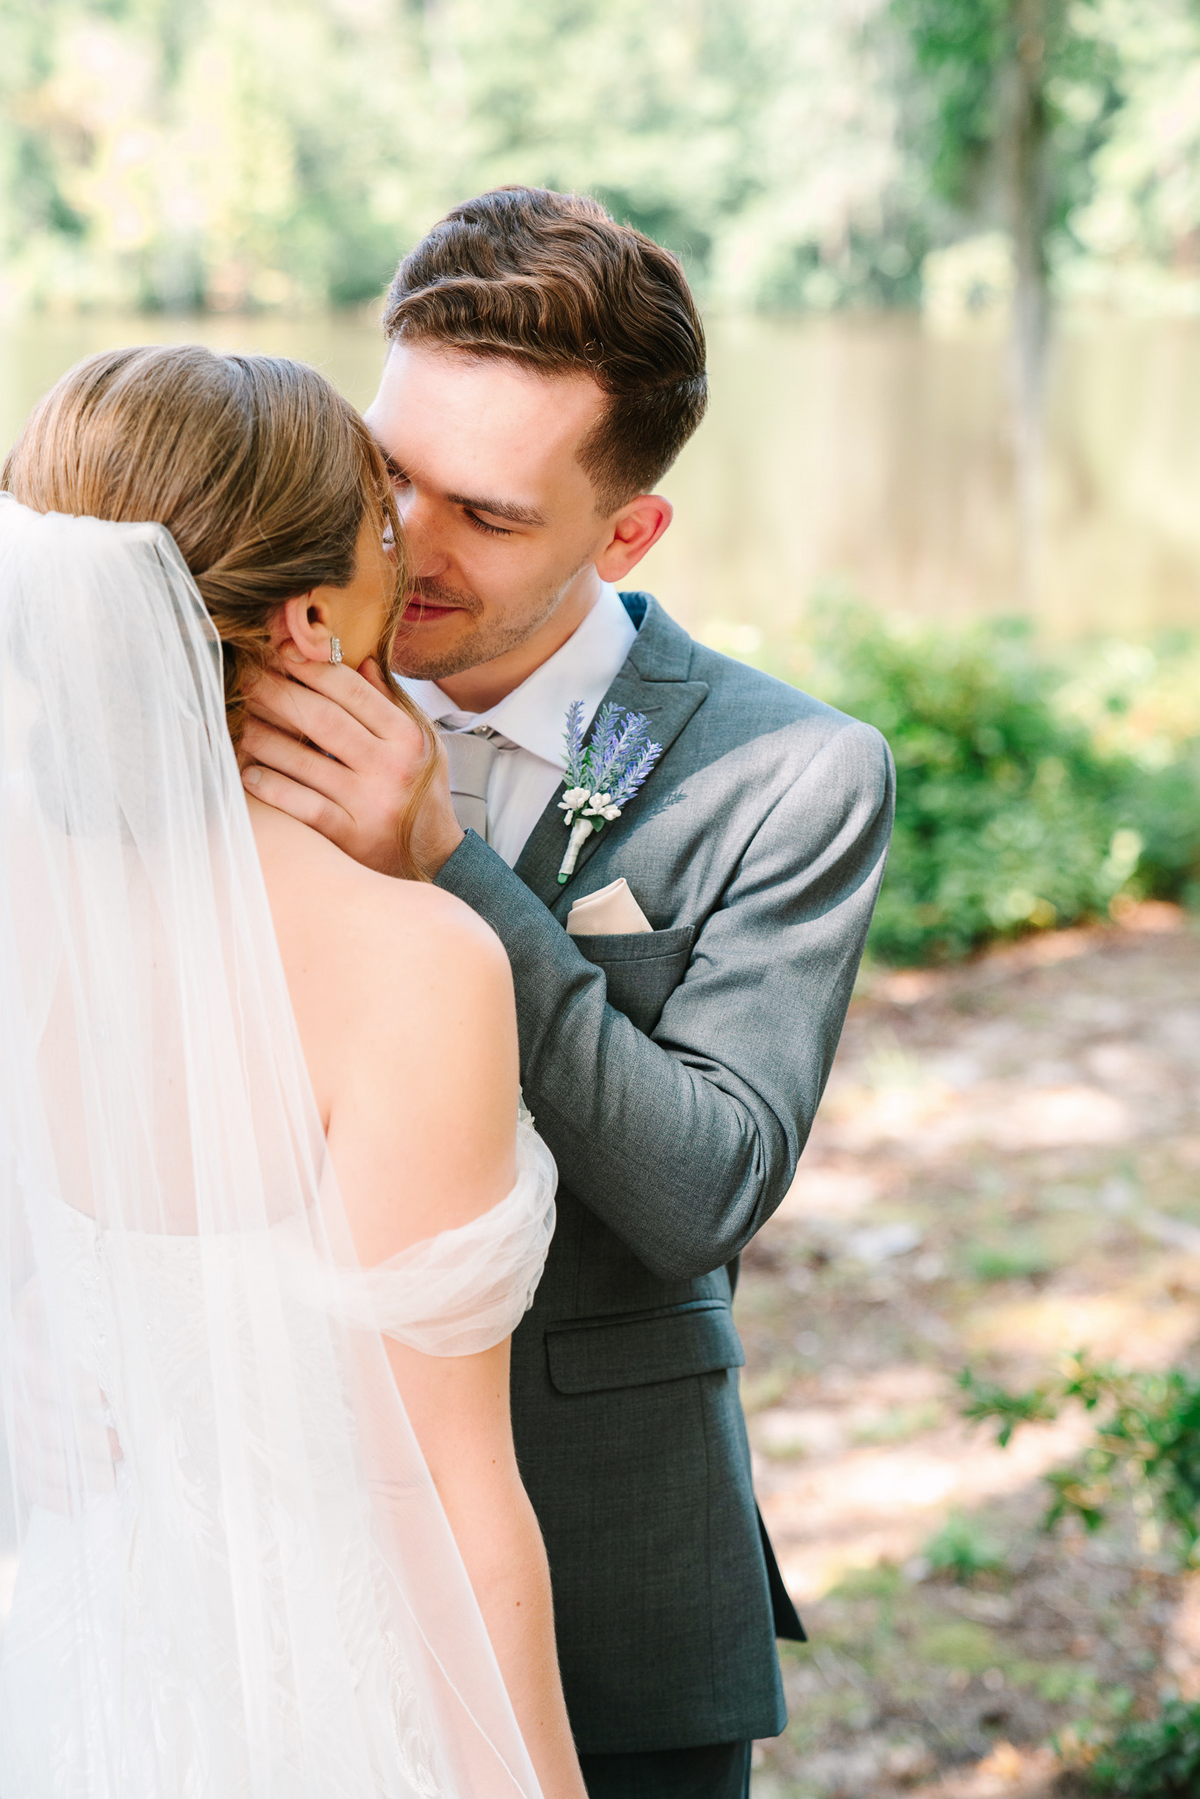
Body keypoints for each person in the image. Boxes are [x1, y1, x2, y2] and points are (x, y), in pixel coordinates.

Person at [241, 187, 897, 1799]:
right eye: (388, 470)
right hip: (262, 1541)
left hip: (605, 1560)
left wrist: (452, 872)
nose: (405, 540)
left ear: (627, 533)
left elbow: (703, 1187)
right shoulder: (235, 674)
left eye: (489, 513)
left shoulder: (788, 773)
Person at [0, 345, 588, 1799]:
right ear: (310, 616)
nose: (418, 547)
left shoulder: (32, 906)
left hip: (78, 1666)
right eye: (386, 519)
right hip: (328, 1695)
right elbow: (437, 1484)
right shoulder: (412, 963)